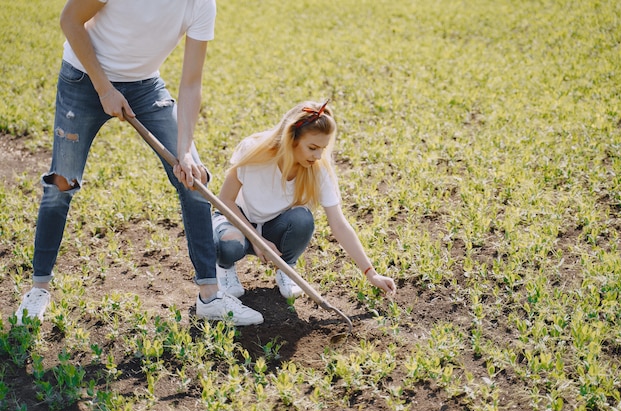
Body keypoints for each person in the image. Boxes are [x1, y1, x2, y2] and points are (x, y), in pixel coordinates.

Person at [15, 0, 263, 327]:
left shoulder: (202, 4)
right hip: (84, 79)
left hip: (146, 86)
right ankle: (38, 289)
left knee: (194, 180)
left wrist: (185, 150)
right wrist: (104, 89)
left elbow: (191, 83)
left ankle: (210, 297)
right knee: (63, 182)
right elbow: (70, 20)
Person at [213, 99, 397, 302]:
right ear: (292, 139)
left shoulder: (317, 169)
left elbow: (339, 224)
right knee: (229, 246)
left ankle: (286, 268)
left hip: (272, 227)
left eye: (322, 149)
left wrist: (371, 273)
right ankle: (224, 267)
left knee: (302, 219)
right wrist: (257, 240)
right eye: (312, 148)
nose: (318, 155)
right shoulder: (253, 150)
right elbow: (225, 201)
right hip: (236, 221)